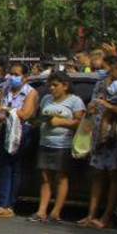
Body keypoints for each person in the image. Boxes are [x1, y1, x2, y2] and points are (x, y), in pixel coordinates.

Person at [79, 58, 117, 229]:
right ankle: (91, 214)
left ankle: (106, 216)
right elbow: (93, 104)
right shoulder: (101, 85)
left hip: (115, 135)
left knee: (114, 176)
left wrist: (109, 107)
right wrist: (92, 109)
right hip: (98, 133)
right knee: (97, 174)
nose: (111, 73)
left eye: (114, 70)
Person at [31, 71, 85, 223]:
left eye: (55, 85)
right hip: (45, 142)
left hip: (63, 144)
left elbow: (80, 123)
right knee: (45, 178)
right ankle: (41, 210)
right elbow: (40, 116)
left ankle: (56, 212)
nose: (52, 88)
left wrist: (61, 122)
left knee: (61, 177)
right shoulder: (47, 99)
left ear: (65, 86)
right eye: (50, 85)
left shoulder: (75, 101)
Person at [0, 62, 38, 219]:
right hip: (3, 130)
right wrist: (0, 111)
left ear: (25, 77)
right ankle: (4, 203)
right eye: (11, 74)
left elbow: (26, 114)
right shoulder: (5, 89)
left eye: (17, 75)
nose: (13, 77)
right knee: (4, 168)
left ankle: (8, 205)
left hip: (20, 132)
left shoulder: (30, 93)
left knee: (14, 167)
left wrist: (8, 111)